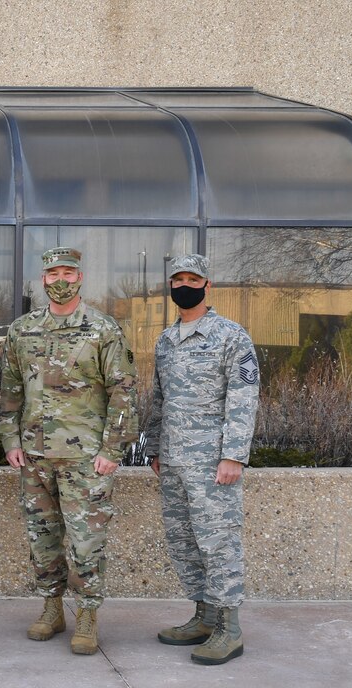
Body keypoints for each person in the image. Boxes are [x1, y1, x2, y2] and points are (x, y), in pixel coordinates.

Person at [0, 247, 137, 655]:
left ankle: (88, 615)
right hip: (35, 458)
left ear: (80, 278)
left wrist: (113, 449)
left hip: (85, 459)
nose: (60, 280)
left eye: (68, 274)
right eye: (53, 273)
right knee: (43, 539)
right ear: (43, 279)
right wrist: (10, 441)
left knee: (86, 542)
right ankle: (52, 609)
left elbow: (124, 392)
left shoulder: (102, 329)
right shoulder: (22, 330)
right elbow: (9, 393)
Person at [146, 253, 259, 666]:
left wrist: (234, 455)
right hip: (174, 460)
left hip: (213, 461)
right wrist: (154, 447)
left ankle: (230, 627)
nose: (183, 285)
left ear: (208, 285)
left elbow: (244, 398)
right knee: (186, 541)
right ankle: (204, 615)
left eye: (192, 278)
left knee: (218, 541)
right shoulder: (166, 339)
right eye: (177, 279)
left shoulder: (231, 336)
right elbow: (158, 398)